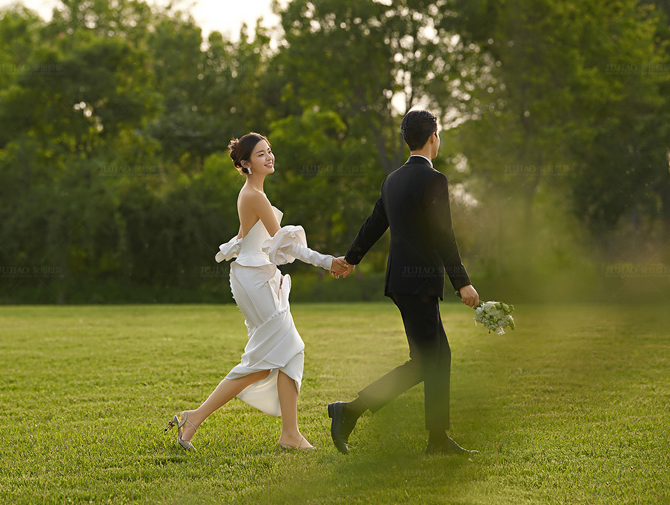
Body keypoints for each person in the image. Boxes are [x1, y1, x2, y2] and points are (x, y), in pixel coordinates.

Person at [166, 133, 351, 452]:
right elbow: (286, 243)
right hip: (256, 278)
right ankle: (195, 417)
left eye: (270, 151)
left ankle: (289, 434)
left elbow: (244, 237)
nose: (269, 157)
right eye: (261, 154)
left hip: (253, 276)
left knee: (283, 353)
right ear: (245, 164)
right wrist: (327, 261)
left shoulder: (252, 194)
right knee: (273, 355)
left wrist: (230, 250)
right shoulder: (255, 196)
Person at [328, 109, 480, 455]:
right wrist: (463, 283)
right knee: (426, 361)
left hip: (402, 281)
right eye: (438, 135)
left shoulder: (392, 179)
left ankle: (438, 439)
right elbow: (445, 236)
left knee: (439, 358)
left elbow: (373, 223)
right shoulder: (434, 180)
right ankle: (349, 411)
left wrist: (351, 259)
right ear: (432, 138)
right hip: (419, 284)